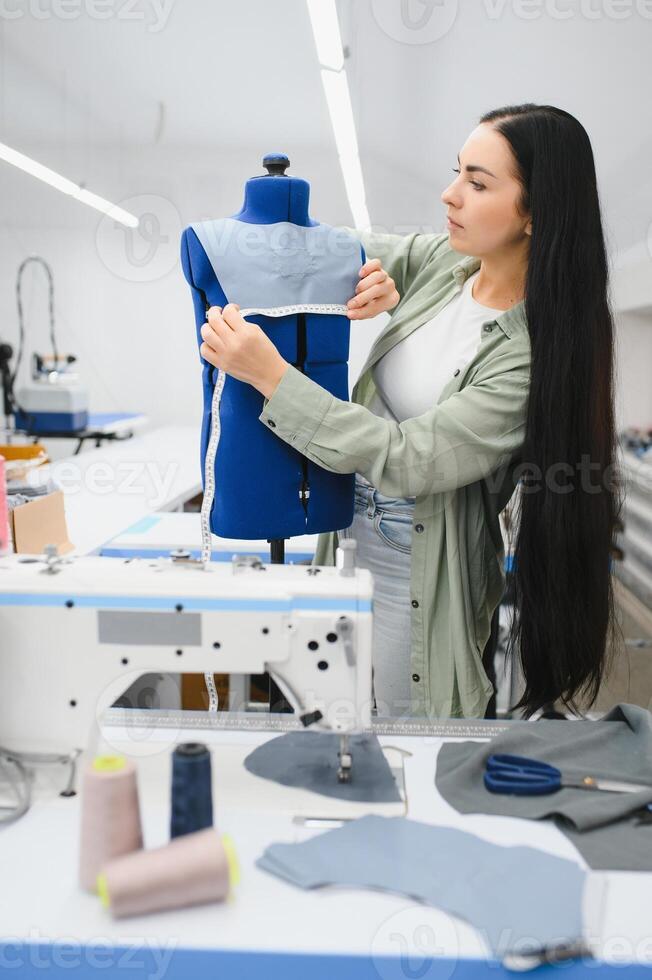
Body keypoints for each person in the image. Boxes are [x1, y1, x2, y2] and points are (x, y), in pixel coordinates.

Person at [198, 103, 621, 720]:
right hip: (346, 524)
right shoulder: (447, 267)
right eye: (457, 173)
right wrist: (356, 271)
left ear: (535, 213)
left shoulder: (529, 356)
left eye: (478, 183)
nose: (450, 195)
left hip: (416, 560)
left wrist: (271, 377)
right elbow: (341, 248)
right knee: (327, 721)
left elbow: (411, 459)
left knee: (406, 741)